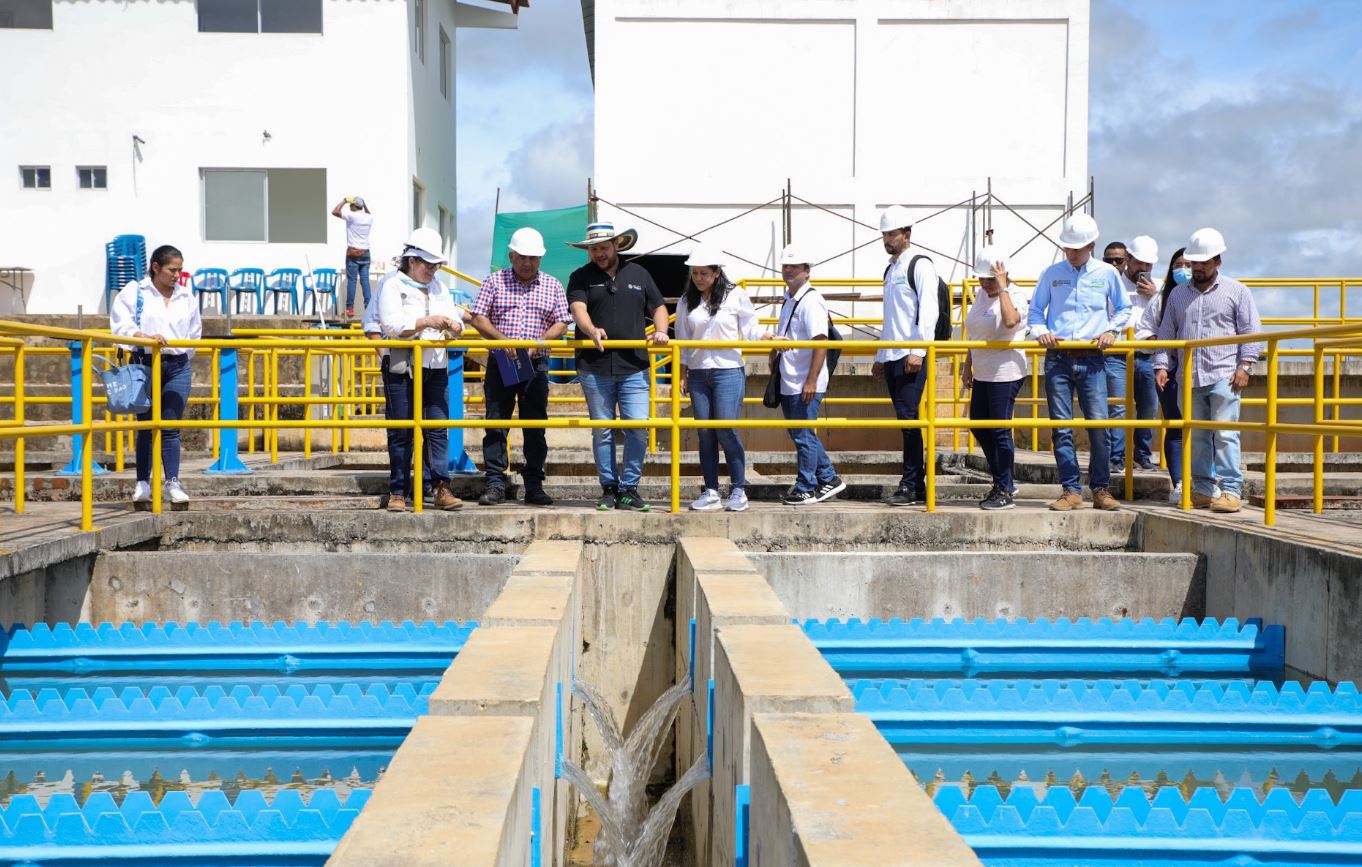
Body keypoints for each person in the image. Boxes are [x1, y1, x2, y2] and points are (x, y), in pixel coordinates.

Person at [1153, 228, 1262, 514]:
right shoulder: (1178, 295)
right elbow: (1167, 334)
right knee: (1197, 435)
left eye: (1203, 262)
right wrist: (1162, 365)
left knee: (1225, 434)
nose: (1198, 268)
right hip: (1189, 376)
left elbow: (1250, 332)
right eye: (1194, 262)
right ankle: (1202, 488)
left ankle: (1229, 490)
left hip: (1224, 373)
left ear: (1218, 261)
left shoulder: (1236, 291)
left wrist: (1245, 366)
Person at [1027, 214, 1131, 511]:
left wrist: (1111, 330)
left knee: (1099, 426)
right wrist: (1042, 332)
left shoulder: (1106, 274)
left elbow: (1124, 309)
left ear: (1091, 245)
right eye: (1068, 248)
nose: (1071, 253)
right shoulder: (1051, 273)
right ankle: (1070, 490)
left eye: (1077, 247)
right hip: (1058, 357)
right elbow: (1035, 312)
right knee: (1061, 426)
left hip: (1092, 357)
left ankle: (1100, 489)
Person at [566, 222, 669, 512]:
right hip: (594, 366)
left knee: (637, 428)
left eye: (603, 247)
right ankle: (609, 488)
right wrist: (591, 330)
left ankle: (630, 488)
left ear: (616, 246)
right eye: (593, 249)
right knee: (603, 430)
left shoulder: (640, 274)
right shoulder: (579, 277)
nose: (598, 253)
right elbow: (578, 310)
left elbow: (658, 306)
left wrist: (661, 330)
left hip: (634, 365)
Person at [469, 227, 571, 507]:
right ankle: (495, 484)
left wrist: (538, 343)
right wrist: (504, 342)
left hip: (536, 363)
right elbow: (477, 317)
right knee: (496, 423)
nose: (528, 263)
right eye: (523, 257)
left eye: (534, 258)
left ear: (541, 259)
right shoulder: (494, 281)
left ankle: (534, 485)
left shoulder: (552, 284)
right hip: (502, 360)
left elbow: (562, 321)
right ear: (511, 255)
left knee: (535, 426)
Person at [377, 227, 466, 512]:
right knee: (402, 431)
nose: (433, 269)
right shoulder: (391, 284)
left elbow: (457, 319)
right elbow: (391, 325)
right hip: (402, 366)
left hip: (435, 365)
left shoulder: (439, 287)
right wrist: (427, 321)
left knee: (437, 430)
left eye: (436, 264)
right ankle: (399, 491)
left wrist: (454, 326)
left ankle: (441, 487)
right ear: (411, 260)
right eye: (428, 264)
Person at [110, 245, 202, 509]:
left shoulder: (186, 296)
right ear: (156, 267)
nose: (177, 275)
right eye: (172, 270)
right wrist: (144, 337)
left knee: (171, 425)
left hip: (177, 364)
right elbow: (121, 324)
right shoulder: (135, 291)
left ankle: (173, 482)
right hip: (145, 363)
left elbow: (194, 333)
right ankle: (142, 482)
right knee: (147, 426)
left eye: (180, 270)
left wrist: (177, 351)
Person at [674, 244, 763, 512]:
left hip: (727, 370)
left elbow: (751, 330)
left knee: (726, 428)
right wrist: (682, 375)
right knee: (705, 432)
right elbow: (683, 340)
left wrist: (768, 339)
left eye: (704, 273)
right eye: (695, 273)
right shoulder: (686, 301)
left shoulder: (736, 296)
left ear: (716, 273)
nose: (698, 278)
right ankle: (711, 490)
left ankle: (738, 489)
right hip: (700, 372)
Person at [768, 245, 844, 506]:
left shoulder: (811, 301)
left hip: (804, 380)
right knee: (801, 434)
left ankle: (806, 487)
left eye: (795, 267)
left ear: (807, 271)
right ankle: (829, 478)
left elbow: (820, 342)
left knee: (802, 435)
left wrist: (811, 380)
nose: (788, 271)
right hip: (790, 377)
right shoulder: (790, 299)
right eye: (786, 266)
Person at [872, 205, 938, 507]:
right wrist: (880, 355)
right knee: (905, 420)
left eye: (893, 234)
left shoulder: (920, 265)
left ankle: (911, 484)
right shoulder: (891, 269)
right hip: (893, 355)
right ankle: (917, 484)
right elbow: (891, 317)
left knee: (910, 419)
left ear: (907, 234)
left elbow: (928, 311)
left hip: (911, 356)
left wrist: (918, 351)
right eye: (885, 234)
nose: (888, 239)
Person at [960, 248, 1030, 511]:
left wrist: (1002, 289)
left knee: (1000, 430)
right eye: (981, 279)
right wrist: (968, 366)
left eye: (989, 279)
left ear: (1003, 276)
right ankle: (1005, 479)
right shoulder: (980, 294)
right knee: (978, 425)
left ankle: (1004, 488)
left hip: (1006, 371)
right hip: (983, 371)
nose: (983, 284)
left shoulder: (1016, 295)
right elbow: (974, 332)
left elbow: (1010, 321)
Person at [1140, 247, 1191, 501]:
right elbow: (1145, 328)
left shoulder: (1208, 295)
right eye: (1178, 265)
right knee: (1175, 427)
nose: (1184, 270)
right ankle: (1180, 482)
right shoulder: (1161, 297)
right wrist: (1161, 344)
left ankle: (1207, 481)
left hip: (1202, 370)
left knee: (1207, 429)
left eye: (1189, 264)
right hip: (1169, 370)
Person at [1119, 235, 1163, 472]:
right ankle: (1116, 456)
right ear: (1128, 259)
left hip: (1147, 355)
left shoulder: (1160, 288)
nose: (1144, 269)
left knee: (1148, 408)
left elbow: (1168, 318)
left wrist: (1155, 296)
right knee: (1116, 407)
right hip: (1117, 355)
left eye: (1148, 265)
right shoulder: (1113, 282)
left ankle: (1142, 455)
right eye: (1139, 263)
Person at [1103, 237, 1131, 473]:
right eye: (1108, 259)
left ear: (1127, 261)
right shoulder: (1097, 279)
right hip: (1093, 351)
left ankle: (1116, 457)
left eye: (1118, 260)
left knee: (1118, 407)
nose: (1113, 264)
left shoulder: (1132, 285)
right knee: (1095, 408)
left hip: (1120, 353)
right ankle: (1102, 456)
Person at [332, 196, 373, 317]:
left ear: (355, 206)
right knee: (365, 281)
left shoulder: (352, 216)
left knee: (352, 281)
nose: (350, 207)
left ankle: (350, 309)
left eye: (351, 205)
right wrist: (364, 204)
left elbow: (335, 212)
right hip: (366, 253)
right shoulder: (369, 217)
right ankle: (369, 307)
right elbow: (368, 212)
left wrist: (344, 201)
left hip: (353, 253)